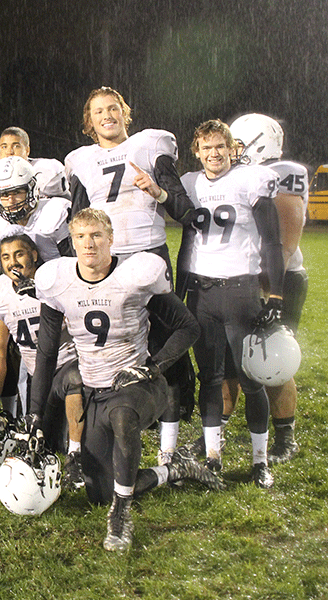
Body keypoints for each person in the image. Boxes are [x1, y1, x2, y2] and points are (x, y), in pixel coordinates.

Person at [29, 208, 222, 551]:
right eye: (80, 237)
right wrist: (35, 415)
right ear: (71, 242)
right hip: (93, 391)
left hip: (139, 385)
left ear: (111, 239)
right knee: (99, 491)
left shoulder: (134, 275)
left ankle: (122, 514)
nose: (88, 244)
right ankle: (172, 472)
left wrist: (154, 366)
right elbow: (45, 355)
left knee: (122, 415)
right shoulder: (58, 281)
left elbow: (188, 327)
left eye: (96, 236)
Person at [65, 86, 198, 461]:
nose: (106, 116)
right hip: (105, 263)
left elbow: (185, 211)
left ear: (125, 112)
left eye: (113, 108)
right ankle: (113, 423)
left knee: (163, 343)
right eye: (97, 112)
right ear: (89, 123)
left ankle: (169, 447)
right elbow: (76, 221)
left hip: (147, 255)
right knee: (108, 347)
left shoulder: (149, 145)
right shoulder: (80, 160)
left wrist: (156, 192)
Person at [179, 119, 284, 488]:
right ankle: (213, 458)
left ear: (231, 148)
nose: (214, 154)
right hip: (202, 294)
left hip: (240, 291)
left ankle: (260, 461)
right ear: (197, 151)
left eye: (220, 146)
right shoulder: (191, 184)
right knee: (210, 379)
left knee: (252, 379)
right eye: (206, 147)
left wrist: (276, 294)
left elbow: (272, 242)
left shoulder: (248, 179)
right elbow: (181, 228)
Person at [224, 114, 307, 464]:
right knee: (229, 361)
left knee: (272, 357)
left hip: (277, 279)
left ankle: (285, 438)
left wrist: (269, 291)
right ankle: (215, 434)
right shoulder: (239, 175)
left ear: (258, 144)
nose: (233, 151)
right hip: (241, 277)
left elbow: (285, 245)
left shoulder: (282, 175)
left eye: (239, 145)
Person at [0, 234, 85, 488]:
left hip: (70, 365)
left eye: (19, 254)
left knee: (74, 386)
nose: (13, 262)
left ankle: (76, 456)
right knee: (46, 443)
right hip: (39, 377)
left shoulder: (55, 281)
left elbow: (80, 323)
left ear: (34, 255)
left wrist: (39, 295)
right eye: (6, 257)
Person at [0, 156, 71, 262]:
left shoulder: (54, 212)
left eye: (17, 192)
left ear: (32, 190)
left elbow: (74, 261)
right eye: (4, 194)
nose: (11, 200)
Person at [0, 126, 70, 200]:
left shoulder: (44, 170)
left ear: (27, 150)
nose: (9, 152)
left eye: (16, 146)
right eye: (4, 147)